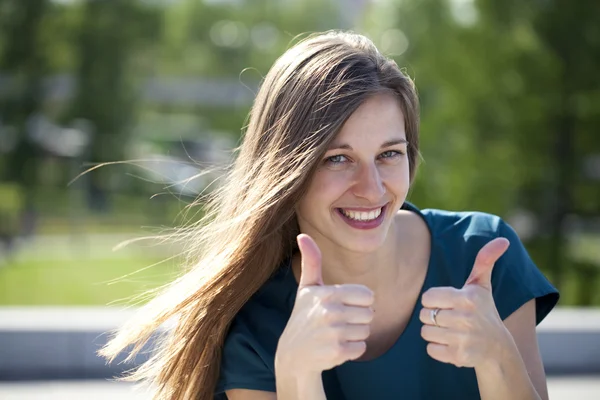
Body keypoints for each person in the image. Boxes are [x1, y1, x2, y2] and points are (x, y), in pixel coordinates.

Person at [99, 30, 559, 400]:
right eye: (337, 158)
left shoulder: (482, 254)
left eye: (389, 154)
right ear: (286, 170)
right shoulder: (257, 325)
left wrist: (499, 358)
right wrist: (297, 375)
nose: (372, 188)